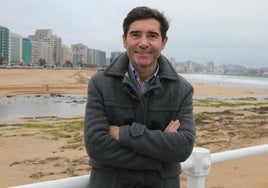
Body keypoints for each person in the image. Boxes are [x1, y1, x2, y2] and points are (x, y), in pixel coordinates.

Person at [84, 6, 195, 188]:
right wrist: (159, 156)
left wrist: (122, 133)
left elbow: (183, 147)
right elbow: (96, 145)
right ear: (124, 40)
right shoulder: (100, 83)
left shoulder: (182, 89)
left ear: (164, 42)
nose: (143, 43)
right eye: (135, 35)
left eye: (152, 35)